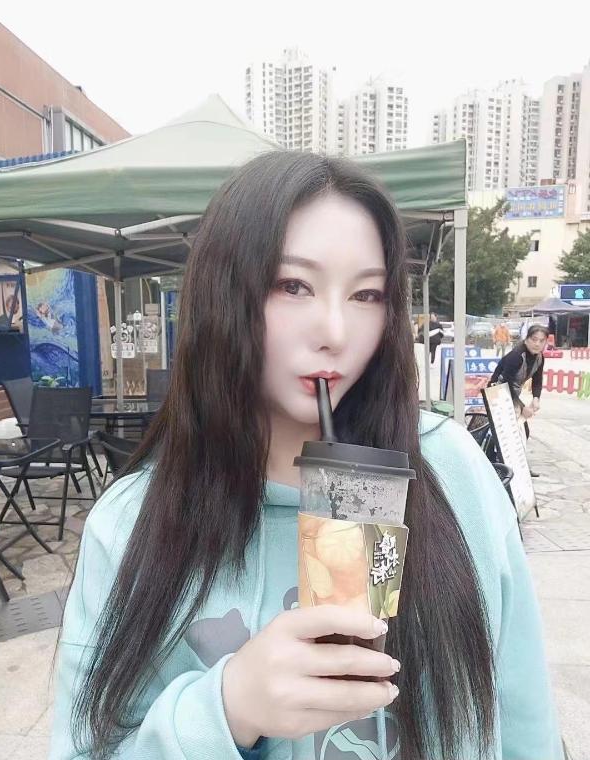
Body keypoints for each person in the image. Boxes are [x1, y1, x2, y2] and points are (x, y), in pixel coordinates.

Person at [50, 153, 563, 760]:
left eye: (367, 293)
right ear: (222, 293)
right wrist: (227, 710)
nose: (335, 332)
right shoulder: (129, 522)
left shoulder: (450, 471)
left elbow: (524, 717)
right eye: (293, 286)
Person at [489, 324, 548, 476]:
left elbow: (537, 380)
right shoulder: (516, 356)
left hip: (512, 392)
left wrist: (536, 398)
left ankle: (517, 467)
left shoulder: (540, 358)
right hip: (497, 391)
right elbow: (504, 384)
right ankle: (501, 467)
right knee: (508, 432)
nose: (537, 344)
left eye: (541, 341)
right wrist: (522, 407)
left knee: (523, 431)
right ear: (527, 339)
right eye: (534, 339)